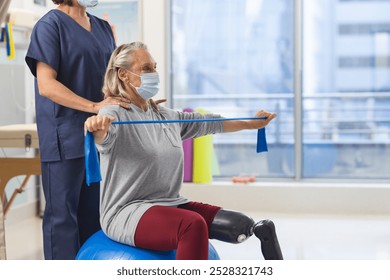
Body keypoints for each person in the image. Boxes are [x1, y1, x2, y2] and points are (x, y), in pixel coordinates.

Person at [84, 42, 284, 260]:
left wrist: (250, 123)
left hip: (169, 203)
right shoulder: (113, 113)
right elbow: (104, 139)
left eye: (155, 67)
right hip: (126, 212)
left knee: (240, 225)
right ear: (123, 74)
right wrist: (98, 130)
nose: (154, 74)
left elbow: (208, 123)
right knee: (192, 225)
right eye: (146, 69)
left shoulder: (162, 115)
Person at [24, 0, 125, 260]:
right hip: (64, 135)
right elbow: (46, 85)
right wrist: (94, 106)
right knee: (63, 220)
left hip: (99, 136)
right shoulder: (49, 26)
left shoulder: (102, 27)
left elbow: (111, 81)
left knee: (95, 215)